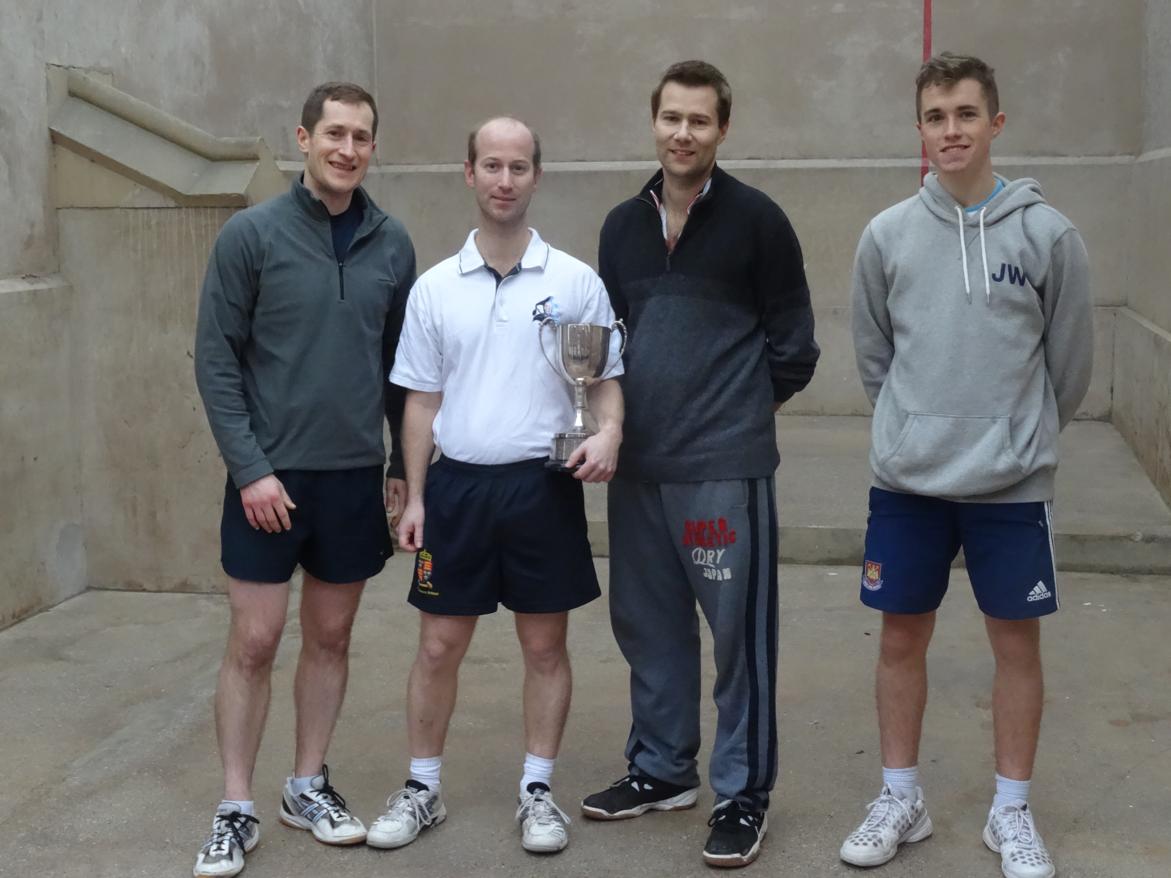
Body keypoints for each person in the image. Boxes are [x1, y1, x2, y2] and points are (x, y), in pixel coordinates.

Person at [838, 53, 1092, 878]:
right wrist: (913, 428)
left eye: (965, 115)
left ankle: (1009, 813)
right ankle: (900, 797)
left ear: (995, 124)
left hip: (1011, 485)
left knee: (1014, 646)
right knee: (899, 638)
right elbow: (874, 356)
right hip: (908, 482)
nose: (950, 131)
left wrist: (1015, 434)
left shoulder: (1047, 235)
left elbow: (1069, 366)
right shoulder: (885, 236)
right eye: (935, 116)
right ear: (918, 128)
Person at [580, 60, 819, 869]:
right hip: (637, 468)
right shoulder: (619, 227)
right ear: (654, 122)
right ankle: (660, 769)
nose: (683, 133)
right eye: (671, 118)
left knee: (736, 640)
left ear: (722, 129)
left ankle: (743, 795)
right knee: (646, 628)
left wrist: (733, 415)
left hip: (723, 468)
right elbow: (602, 346)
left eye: (700, 121)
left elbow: (794, 350)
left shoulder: (758, 222)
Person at [367, 116, 624, 856]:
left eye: (517, 167)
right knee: (439, 647)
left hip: (542, 491)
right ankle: (422, 787)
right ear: (469, 174)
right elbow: (418, 401)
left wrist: (608, 432)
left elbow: (604, 383)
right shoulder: (433, 289)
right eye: (491, 166)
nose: (504, 180)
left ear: (536, 176)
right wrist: (414, 496)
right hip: (456, 495)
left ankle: (537, 791)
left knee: (544, 646)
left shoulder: (575, 281)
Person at [191, 82, 416, 878]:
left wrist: (398, 466)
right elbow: (215, 362)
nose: (347, 149)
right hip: (267, 483)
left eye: (361, 136)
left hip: (352, 480)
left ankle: (304, 785)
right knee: (253, 642)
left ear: (372, 147)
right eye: (334, 134)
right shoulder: (250, 236)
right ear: (303, 138)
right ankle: (234, 806)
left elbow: (403, 373)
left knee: (329, 638)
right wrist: (250, 470)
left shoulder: (393, 244)